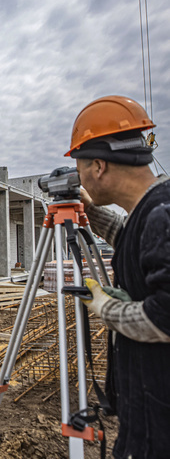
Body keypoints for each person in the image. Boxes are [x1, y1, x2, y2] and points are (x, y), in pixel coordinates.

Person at [65, 95, 170, 459]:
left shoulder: (163, 215)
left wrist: (105, 306)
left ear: (98, 166)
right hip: (147, 407)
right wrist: (92, 215)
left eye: (79, 169)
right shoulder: (153, 210)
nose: (79, 177)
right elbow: (134, 237)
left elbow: (165, 317)